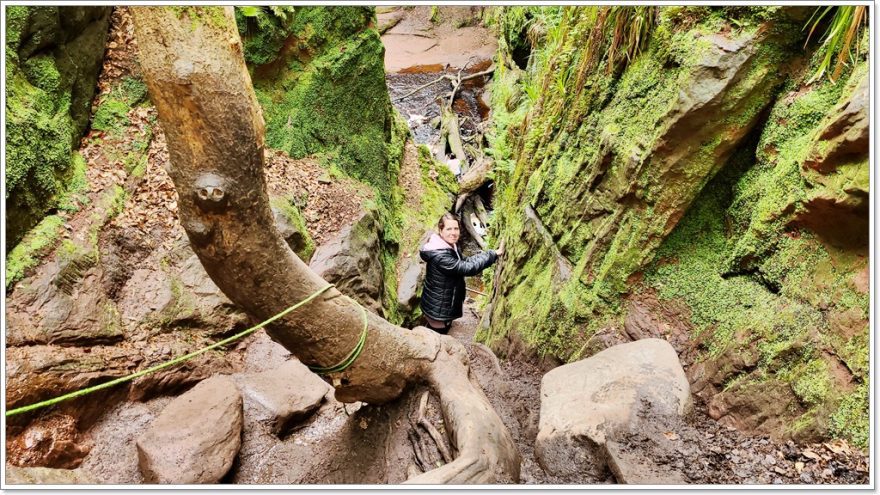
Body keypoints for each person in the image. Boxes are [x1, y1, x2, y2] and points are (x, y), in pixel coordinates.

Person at [419, 212, 504, 334]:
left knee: (439, 333)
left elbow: (466, 260)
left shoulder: (449, 246)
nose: (453, 233)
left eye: (456, 228)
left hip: (441, 304)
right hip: (438, 309)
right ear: (441, 230)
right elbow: (467, 268)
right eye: (449, 229)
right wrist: (493, 254)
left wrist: (488, 254)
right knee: (437, 339)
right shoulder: (441, 256)